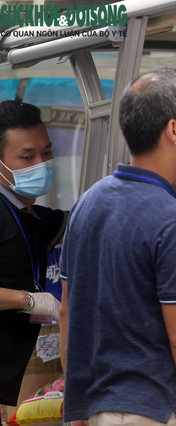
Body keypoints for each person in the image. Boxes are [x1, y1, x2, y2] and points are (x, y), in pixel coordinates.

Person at [59, 67, 176, 426]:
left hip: (98, 410)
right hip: (150, 411)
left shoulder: (86, 204)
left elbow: (68, 314)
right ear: (173, 129)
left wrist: (76, 408)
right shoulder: (173, 221)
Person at [0, 100, 65, 407]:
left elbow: (84, 220)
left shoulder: (31, 216)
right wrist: (27, 300)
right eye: (27, 157)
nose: (42, 164)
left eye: (47, 153)